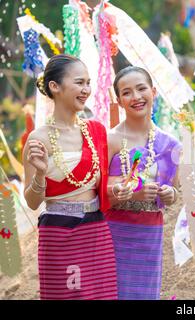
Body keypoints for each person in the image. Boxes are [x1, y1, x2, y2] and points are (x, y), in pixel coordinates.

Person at [23, 54, 118, 300]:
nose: (86, 90)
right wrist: (41, 172)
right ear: (54, 87)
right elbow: (33, 202)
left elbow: (106, 183)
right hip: (59, 232)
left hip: (96, 229)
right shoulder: (39, 139)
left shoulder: (96, 130)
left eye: (88, 83)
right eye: (79, 82)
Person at [105, 66, 181, 300]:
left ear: (153, 91)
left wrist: (170, 194)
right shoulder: (110, 140)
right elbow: (95, 192)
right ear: (118, 100)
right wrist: (132, 194)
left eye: (141, 89)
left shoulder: (170, 144)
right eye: (127, 92)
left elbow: (175, 191)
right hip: (112, 231)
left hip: (149, 233)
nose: (136, 97)